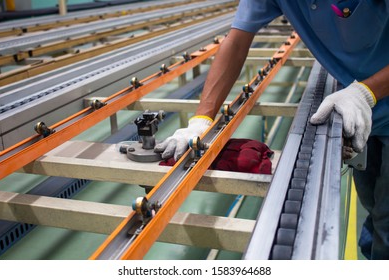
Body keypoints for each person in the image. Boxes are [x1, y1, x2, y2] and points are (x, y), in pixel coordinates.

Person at [154, 0, 389, 259]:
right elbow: (236, 40)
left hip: (367, 99)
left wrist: (365, 92)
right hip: (364, 115)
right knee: (376, 209)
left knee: (386, 227)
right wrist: (201, 120)